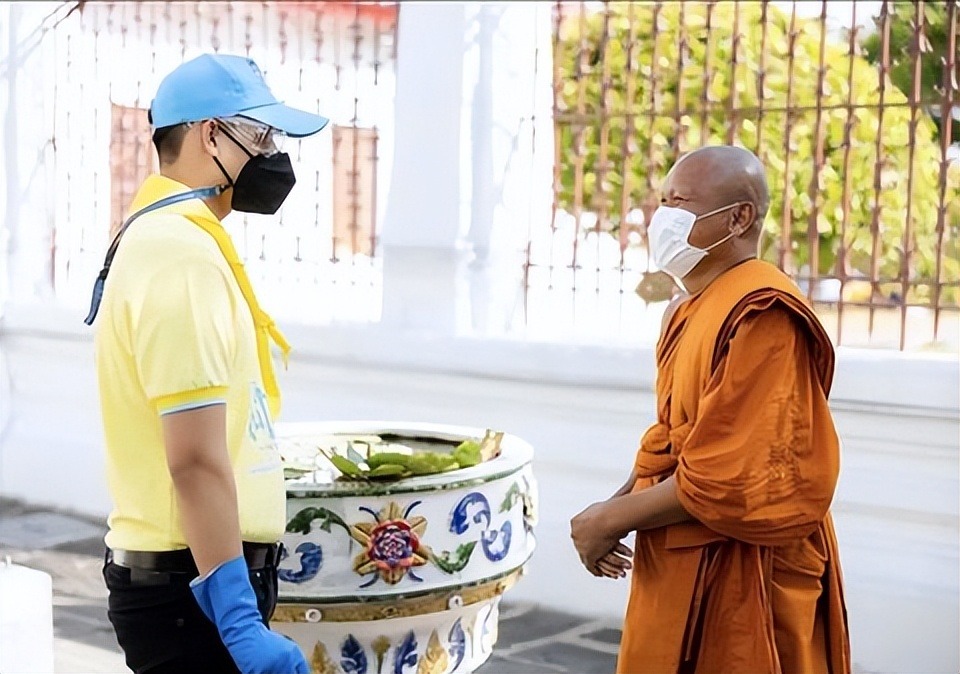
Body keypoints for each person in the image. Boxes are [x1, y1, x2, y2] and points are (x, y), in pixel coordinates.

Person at [86, 53, 328, 673]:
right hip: (194, 593)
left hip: (193, 585)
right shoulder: (179, 254)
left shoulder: (173, 239)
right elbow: (193, 456)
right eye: (260, 134)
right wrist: (237, 616)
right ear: (208, 133)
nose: (273, 153)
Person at [570, 145, 850, 674]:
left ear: (739, 217)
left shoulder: (763, 312)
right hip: (673, 552)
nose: (663, 219)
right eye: (662, 202)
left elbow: (734, 477)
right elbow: (668, 437)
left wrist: (612, 517)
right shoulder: (686, 305)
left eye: (680, 202)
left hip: (743, 565)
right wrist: (618, 505)